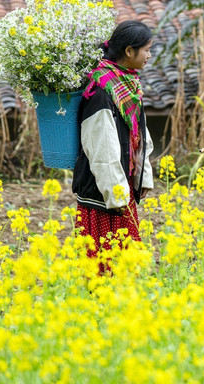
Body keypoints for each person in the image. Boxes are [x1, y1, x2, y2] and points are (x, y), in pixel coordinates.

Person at [73, 20, 155, 273]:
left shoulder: (127, 85)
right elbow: (102, 147)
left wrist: (142, 178)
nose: (149, 56)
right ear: (129, 51)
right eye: (147, 50)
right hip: (103, 193)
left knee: (123, 267)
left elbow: (140, 136)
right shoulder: (100, 90)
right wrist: (116, 194)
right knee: (103, 268)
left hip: (121, 187)